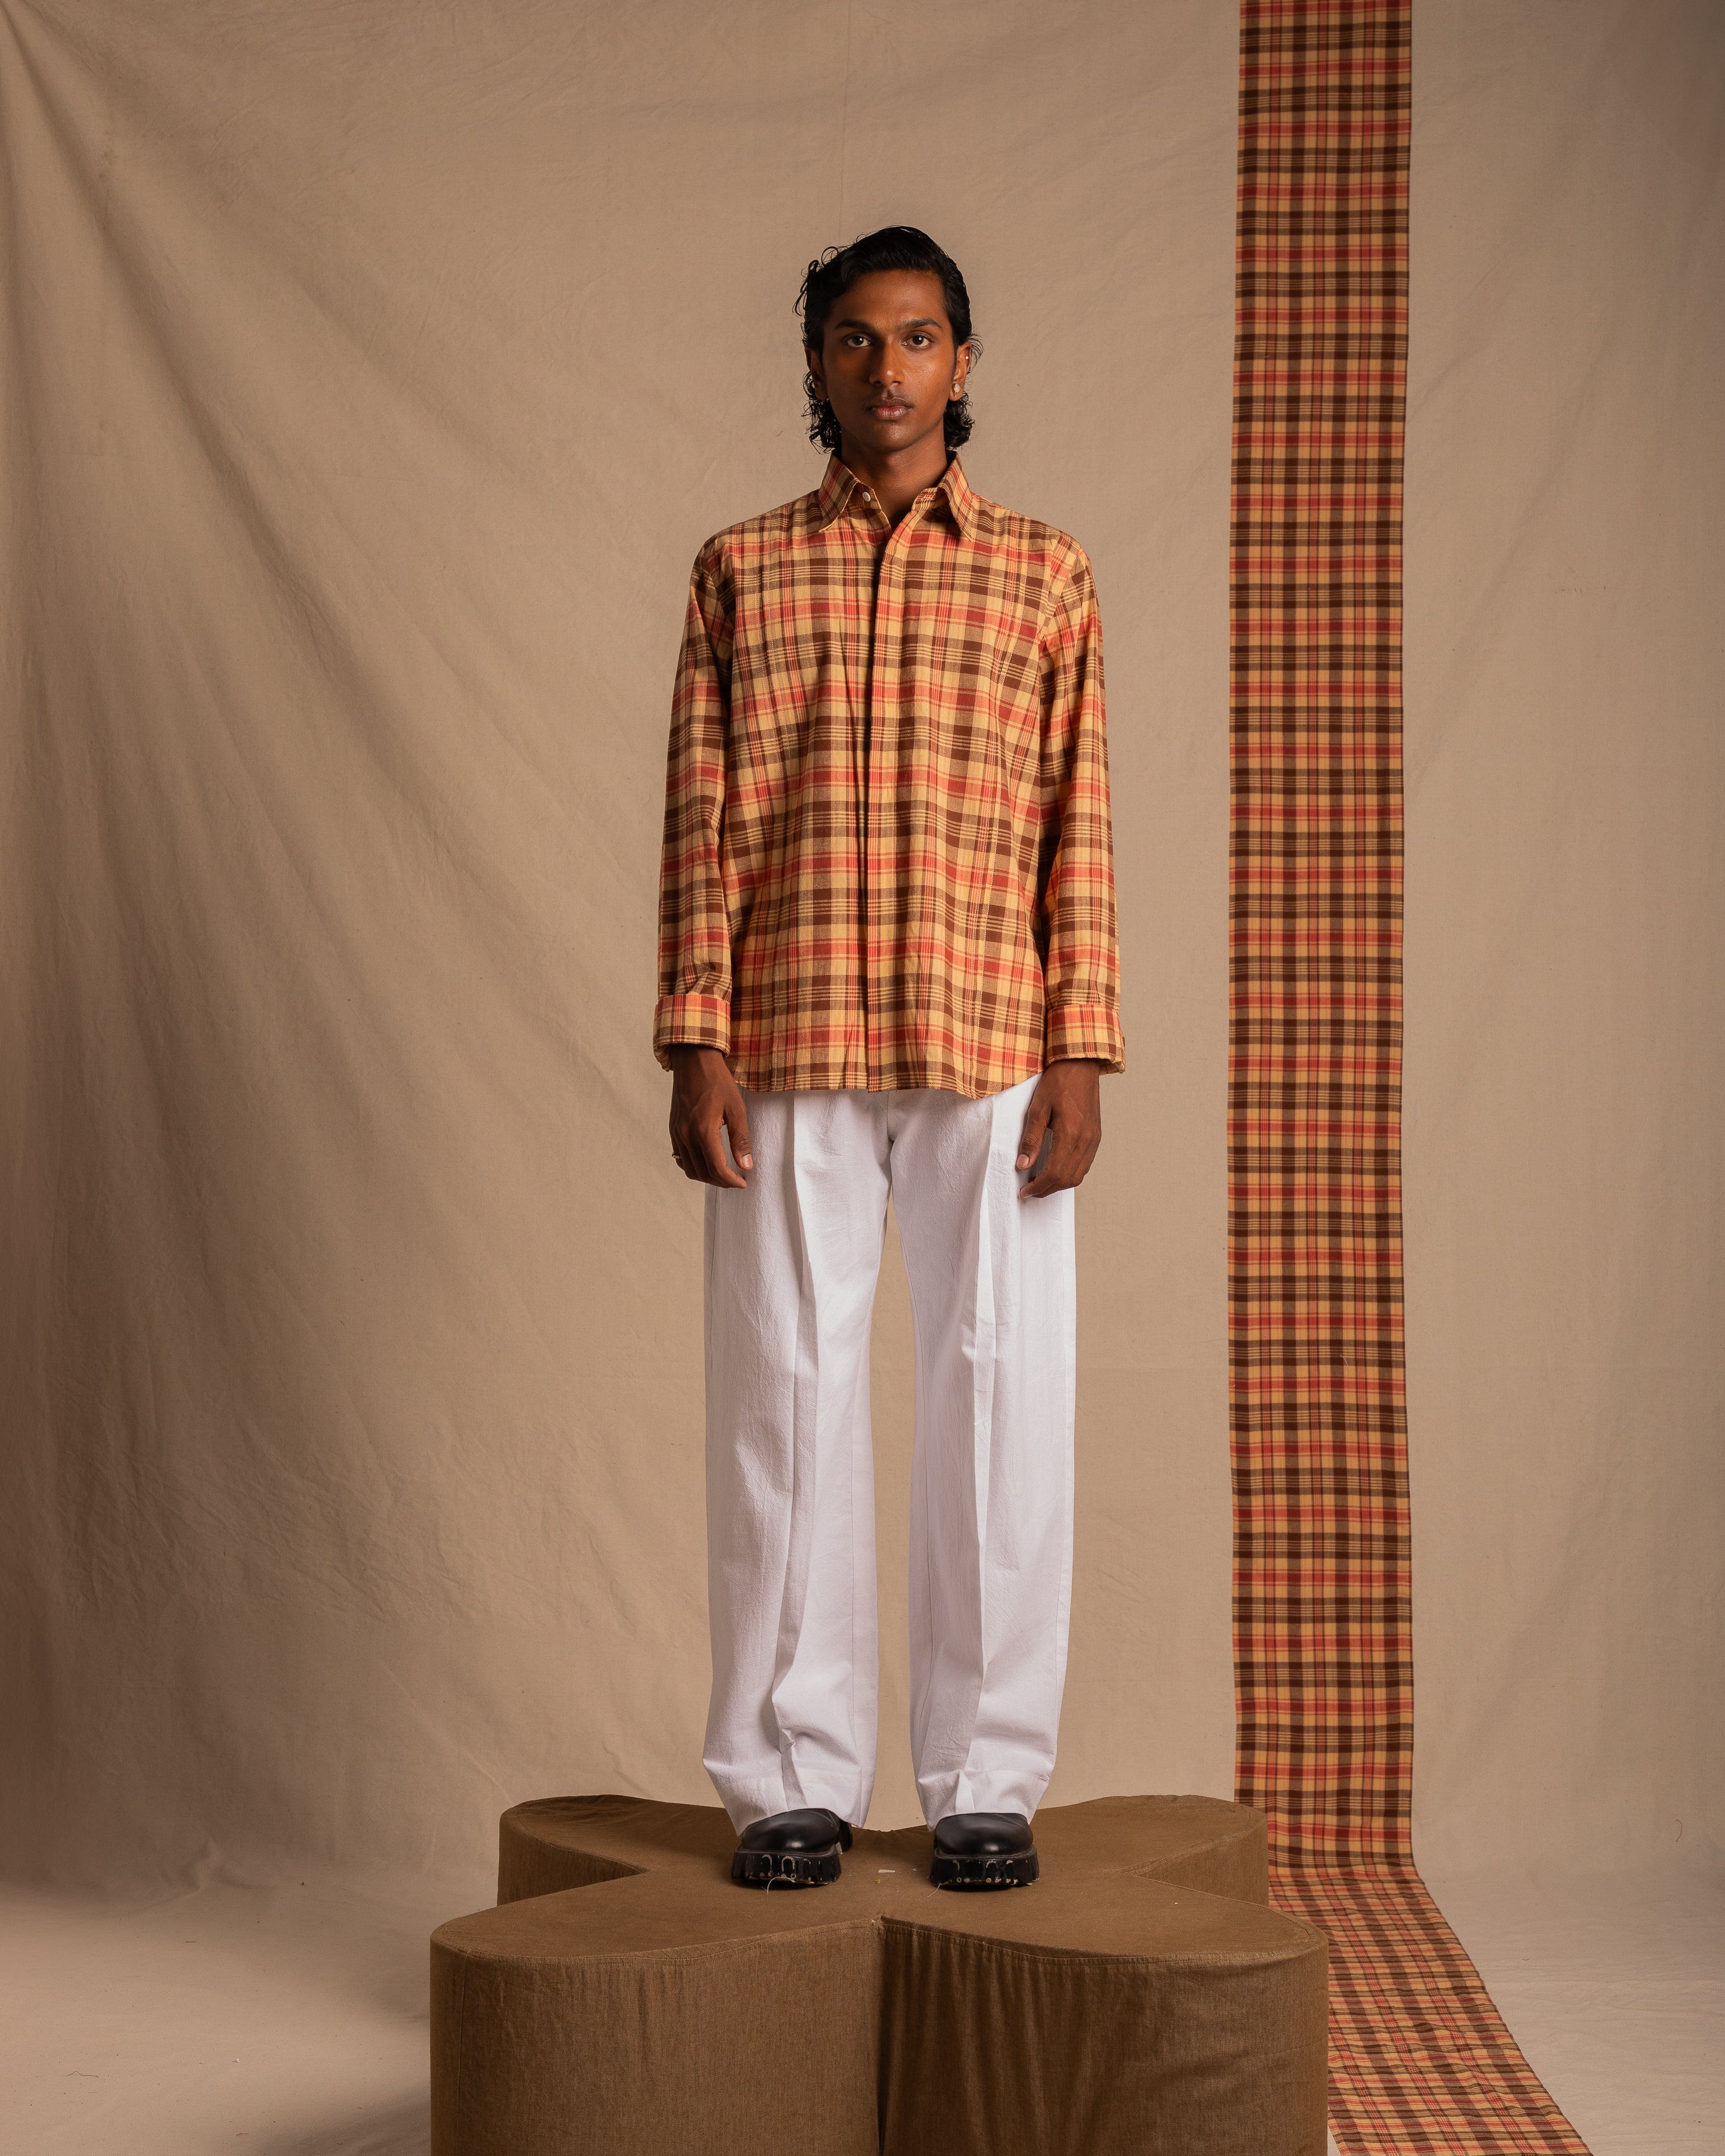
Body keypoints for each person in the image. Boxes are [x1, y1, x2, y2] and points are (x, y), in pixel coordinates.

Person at [654, 226, 1123, 1890]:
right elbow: (698, 825)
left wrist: (1085, 1047)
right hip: (783, 1033)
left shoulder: (1045, 573)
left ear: (964, 364)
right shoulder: (738, 570)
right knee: (785, 1395)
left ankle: (986, 1776)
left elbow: (1079, 824)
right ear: (817, 363)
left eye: (918, 339)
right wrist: (694, 1035)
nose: (887, 369)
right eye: (855, 340)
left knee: (1000, 1395)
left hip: (994, 1030)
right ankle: (791, 1773)